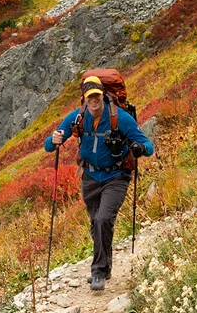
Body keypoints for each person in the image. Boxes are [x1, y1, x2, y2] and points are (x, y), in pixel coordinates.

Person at [44, 72, 154, 290]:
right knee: (96, 223)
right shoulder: (77, 117)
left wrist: (139, 148)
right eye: (89, 97)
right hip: (90, 177)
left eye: (97, 96)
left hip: (116, 176)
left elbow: (147, 146)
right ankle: (106, 266)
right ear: (84, 99)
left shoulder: (120, 118)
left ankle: (99, 272)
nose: (94, 101)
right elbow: (50, 146)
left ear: (103, 95)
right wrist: (53, 140)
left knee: (103, 218)